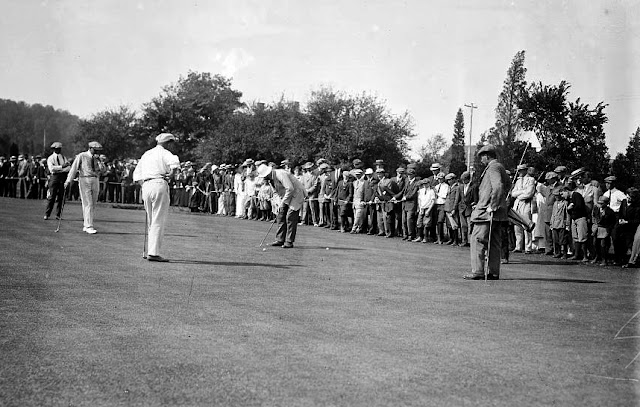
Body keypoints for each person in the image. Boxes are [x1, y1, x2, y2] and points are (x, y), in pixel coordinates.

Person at [464, 144, 510, 280]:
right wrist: (500, 202)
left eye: (482, 157)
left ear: (487, 155)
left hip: (487, 212)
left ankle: (477, 271)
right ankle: (493, 272)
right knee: (494, 242)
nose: (481, 160)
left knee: (477, 239)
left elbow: (499, 186)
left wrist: (493, 204)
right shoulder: (500, 167)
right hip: (497, 214)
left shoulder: (493, 167)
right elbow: (507, 185)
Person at [132, 133, 181, 262]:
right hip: (158, 183)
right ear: (168, 143)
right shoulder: (165, 153)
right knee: (158, 218)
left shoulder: (146, 154)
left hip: (146, 185)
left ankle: (151, 250)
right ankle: (153, 253)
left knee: (151, 219)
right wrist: (171, 174)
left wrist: (145, 184)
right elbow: (175, 164)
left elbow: (136, 175)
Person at [257, 163, 306, 248]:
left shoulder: (280, 174)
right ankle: (280, 239)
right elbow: (276, 192)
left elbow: (290, 188)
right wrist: (279, 204)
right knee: (280, 215)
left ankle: (289, 241)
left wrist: (284, 202)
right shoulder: (270, 180)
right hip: (286, 196)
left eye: (264, 176)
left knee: (290, 216)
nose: (263, 178)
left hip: (297, 194)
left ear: (267, 173)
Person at [65, 141, 106, 234]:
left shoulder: (98, 158)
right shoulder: (82, 155)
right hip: (85, 179)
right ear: (90, 148)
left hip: (95, 179)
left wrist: (100, 162)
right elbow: (74, 168)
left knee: (93, 203)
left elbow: (103, 171)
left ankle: (86, 224)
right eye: (95, 150)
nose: (97, 152)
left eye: (98, 151)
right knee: (88, 203)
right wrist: (68, 180)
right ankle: (89, 226)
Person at [44, 142, 71, 220]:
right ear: (54, 149)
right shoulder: (51, 158)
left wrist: (60, 168)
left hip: (62, 177)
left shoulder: (63, 157)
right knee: (52, 197)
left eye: (60, 148)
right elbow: (51, 168)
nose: (59, 150)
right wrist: (62, 167)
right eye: (57, 149)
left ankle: (58, 215)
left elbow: (68, 168)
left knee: (61, 197)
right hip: (54, 177)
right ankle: (47, 214)